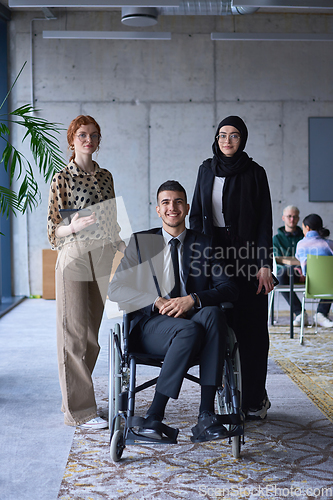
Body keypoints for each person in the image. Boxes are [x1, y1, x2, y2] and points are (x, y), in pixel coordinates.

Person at [108, 180, 239, 443]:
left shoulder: (205, 244)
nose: (172, 207)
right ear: (158, 209)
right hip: (152, 325)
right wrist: (154, 300)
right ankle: (155, 415)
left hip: (195, 322)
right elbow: (116, 289)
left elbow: (229, 287)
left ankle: (206, 415)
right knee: (190, 329)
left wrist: (193, 299)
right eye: (166, 202)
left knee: (213, 315)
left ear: (187, 207)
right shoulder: (140, 243)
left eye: (178, 201)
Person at [189, 115, 273, 420]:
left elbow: (264, 222)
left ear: (243, 140)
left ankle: (253, 399)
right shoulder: (205, 170)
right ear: (216, 138)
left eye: (234, 135)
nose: (227, 140)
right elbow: (196, 217)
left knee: (252, 331)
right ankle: (226, 391)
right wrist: (200, 258)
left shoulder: (255, 173)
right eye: (223, 135)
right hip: (214, 255)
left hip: (249, 256)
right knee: (221, 327)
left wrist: (264, 265)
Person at [47, 115, 125, 429]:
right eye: (82, 135)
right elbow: (53, 229)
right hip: (74, 254)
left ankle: (73, 398)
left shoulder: (106, 176)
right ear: (72, 140)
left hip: (103, 253)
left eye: (93, 135)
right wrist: (73, 225)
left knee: (92, 337)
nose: (88, 140)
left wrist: (122, 243)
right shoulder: (61, 178)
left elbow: (112, 217)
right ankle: (79, 412)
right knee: (74, 333)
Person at [295, 214, 333, 328]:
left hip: (308, 283)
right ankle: (321, 313)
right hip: (327, 285)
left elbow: (298, 258)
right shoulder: (329, 244)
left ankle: (300, 313)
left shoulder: (301, 244)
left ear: (307, 228)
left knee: (283, 277)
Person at [273, 205, 306, 326]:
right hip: (287, 275)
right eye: (289, 216)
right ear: (283, 218)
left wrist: (304, 269)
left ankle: (321, 313)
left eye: (295, 217)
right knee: (280, 276)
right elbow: (276, 262)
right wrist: (294, 268)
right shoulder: (276, 239)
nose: (292, 219)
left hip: (306, 273)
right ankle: (300, 313)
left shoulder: (305, 236)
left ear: (298, 219)